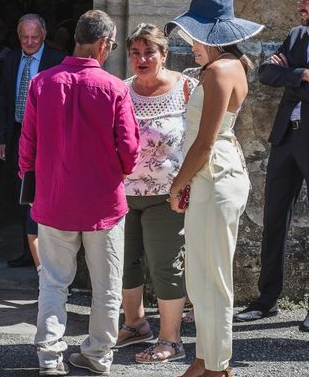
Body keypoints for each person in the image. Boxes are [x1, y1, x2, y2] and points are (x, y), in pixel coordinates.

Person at [19, 10, 140, 376]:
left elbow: (28, 147)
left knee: (53, 282)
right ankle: (99, 354)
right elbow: (130, 152)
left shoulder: (42, 83)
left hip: (54, 200)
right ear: (103, 44)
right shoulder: (115, 88)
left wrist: (33, 179)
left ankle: (50, 356)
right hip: (102, 202)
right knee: (106, 286)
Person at [234, 0, 309, 331]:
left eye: (306, 0)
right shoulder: (297, 36)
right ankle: (266, 299)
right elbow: (268, 73)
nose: (300, 5)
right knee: (274, 217)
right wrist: (302, 75)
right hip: (285, 137)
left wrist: (295, 77)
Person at [166, 0, 262, 377]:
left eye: (194, 38)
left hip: (217, 175)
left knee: (213, 277)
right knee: (201, 275)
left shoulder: (221, 71)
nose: (190, 47)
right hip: (213, 177)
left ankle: (219, 366)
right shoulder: (229, 66)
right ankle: (205, 359)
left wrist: (176, 185)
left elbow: (205, 143)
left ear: (212, 35)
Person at [117, 23, 197, 364]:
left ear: (164, 54)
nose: (142, 58)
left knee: (166, 265)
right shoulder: (121, 89)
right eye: (135, 52)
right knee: (125, 263)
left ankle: (171, 338)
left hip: (170, 196)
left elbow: (205, 138)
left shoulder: (187, 89)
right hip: (123, 192)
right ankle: (135, 324)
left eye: (150, 51)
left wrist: (189, 184)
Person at [0, 14, 65, 269]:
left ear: (44, 35)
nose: (29, 41)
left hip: (46, 137)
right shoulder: (12, 58)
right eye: (24, 37)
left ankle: (49, 256)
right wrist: (2, 138)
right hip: (17, 133)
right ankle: (29, 251)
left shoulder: (56, 60)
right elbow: (4, 99)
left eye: (34, 37)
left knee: (46, 192)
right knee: (21, 192)